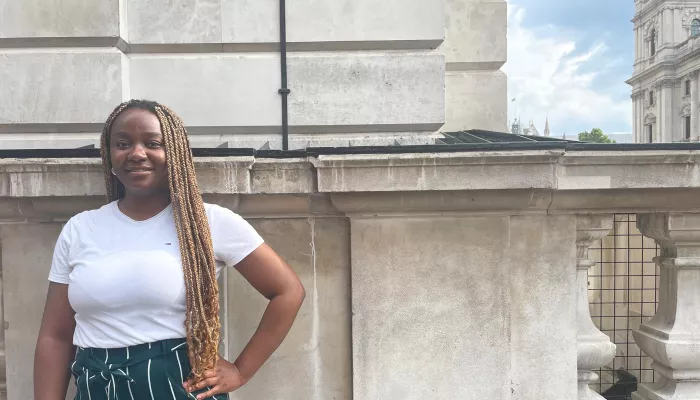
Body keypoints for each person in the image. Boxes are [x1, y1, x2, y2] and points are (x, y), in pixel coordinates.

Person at [33, 99, 306, 400]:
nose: (137, 153)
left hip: (178, 387)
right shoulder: (81, 228)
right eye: (122, 143)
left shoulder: (207, 223)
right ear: (109, 154)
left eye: (153, 143)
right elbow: (55, 336)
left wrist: (241, 371)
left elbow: (288, 291)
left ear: (174, 152)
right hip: (98, 387)